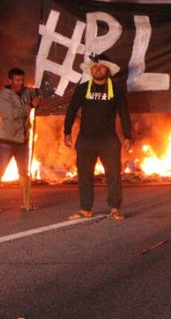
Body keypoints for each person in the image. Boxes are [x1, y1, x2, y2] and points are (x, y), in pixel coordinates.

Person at [63, 53, 132, 221]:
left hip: (109, 140)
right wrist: (66, 132)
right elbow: (71, 110)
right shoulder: (82, 89)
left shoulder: (116, 89)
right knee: (85, 174)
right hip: (86, 139)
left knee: (113, 174)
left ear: (107, 70)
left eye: (101, 67)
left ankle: (115, 208)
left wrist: (128, 136)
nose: (97, 69)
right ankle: (85, 208)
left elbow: (124, 113)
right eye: (94, 67)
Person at [0, 68, 41, 213]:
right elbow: (13, 114)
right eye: (17, 80)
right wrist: (31, 106)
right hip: (7, 141)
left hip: (23, 142)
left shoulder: (26, 92)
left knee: (24, 173)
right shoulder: (4, 97)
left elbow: (40, 92)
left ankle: (26, 202)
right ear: (10, 81)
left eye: (22, 80)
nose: (20, 83)